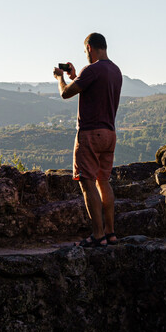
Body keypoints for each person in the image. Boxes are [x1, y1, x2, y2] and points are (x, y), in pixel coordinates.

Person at [53, 32, 123, 248]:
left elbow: (66, 93)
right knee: (103, 181)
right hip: (109, 134)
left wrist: (60, 78)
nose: (86, 55)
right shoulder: (115, 71)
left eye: (85, 51)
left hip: (90, 133)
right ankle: (110, 234)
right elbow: (91, 88)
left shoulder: (92, 69)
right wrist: (75, 75)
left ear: (90, 48)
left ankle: (97, 235)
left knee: (87, 182)